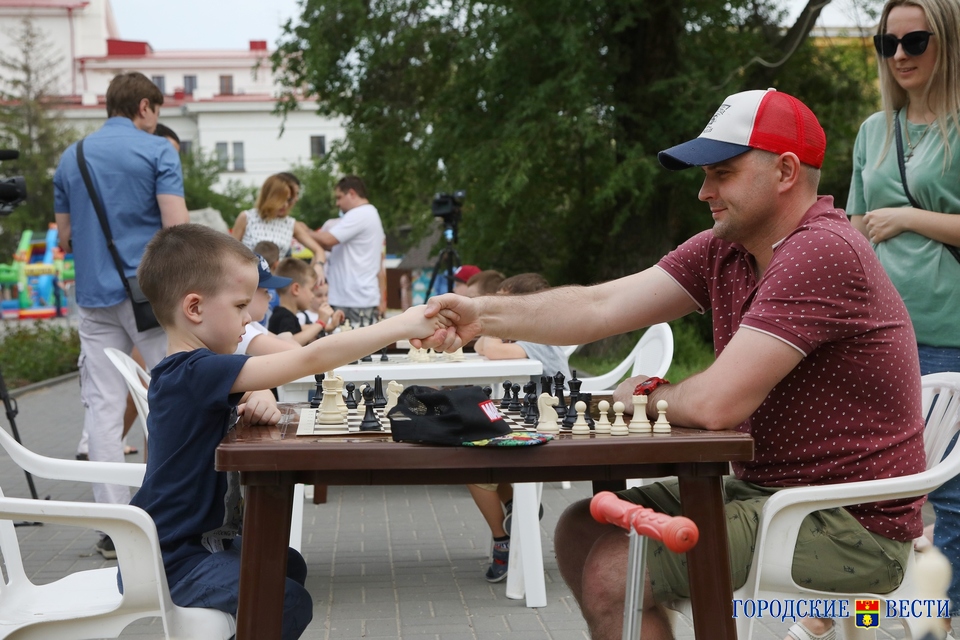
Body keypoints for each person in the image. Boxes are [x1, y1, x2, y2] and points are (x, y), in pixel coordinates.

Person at [421, 89, 926, 640]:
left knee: (614, 571)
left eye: (723, 173)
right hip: (773, 498)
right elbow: (600, 306)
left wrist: (644, 394)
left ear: (785, 171)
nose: (705, 191)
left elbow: (715, 406)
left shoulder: (820, 251)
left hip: (849, 526)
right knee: (581, 528)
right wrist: (483, 315)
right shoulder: (725, 248)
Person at [129, 223, 447, 639]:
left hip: (195, 543)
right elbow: (307, 359)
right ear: (194, 308)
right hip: (171, 559)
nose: (249, 320)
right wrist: (401, 325)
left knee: (288, 563)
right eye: (241, 305)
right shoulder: (192, 370)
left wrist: (252, 397)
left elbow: (223, 403)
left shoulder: (192, 372)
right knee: (285, 599)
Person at [847, 0, 960, 626]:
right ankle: (866, 610)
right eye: (886, 43)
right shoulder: (873, 129)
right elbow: (858, 229)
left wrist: (911, 216)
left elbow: (888, 219)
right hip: (879, 334)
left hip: (950, 331)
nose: (900, 55)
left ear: (947, 41)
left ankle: (935, 622)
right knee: (873, 484)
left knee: (951, 493)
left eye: (915, 39)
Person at [53, 71, 188, 558]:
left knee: (104, 410)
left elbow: (64, 236)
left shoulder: (72, 156)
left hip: (94, 296)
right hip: (151, 294)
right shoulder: (157, 152)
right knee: (166, 398)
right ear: (146, 107)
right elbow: (176, 228)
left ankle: (115, 526)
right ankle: (166, 516)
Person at [468, 272, 570, 583]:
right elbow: (479, 347)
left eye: (505, 305)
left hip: (548, 426)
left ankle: (503, 540)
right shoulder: (529, 338)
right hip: (529, 418)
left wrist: (491, 330)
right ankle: (515, 505)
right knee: (476, 450)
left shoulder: (542, 340)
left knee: (471, 463)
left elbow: (491, 349)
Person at [310, 175, 386, 325]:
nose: (337, 203)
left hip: (353, 300)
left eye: (339, 197)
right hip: (360, 298)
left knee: (348, 345)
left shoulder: (360, 213)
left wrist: (302, 230)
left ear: (352, 193)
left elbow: (328, 240)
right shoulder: (370, 214)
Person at [231, 174, 325, 264]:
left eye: (288, 200)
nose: (285, 204)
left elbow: (318, 251)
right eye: (281, 199)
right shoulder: (247, 217)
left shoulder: (290, 223)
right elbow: (229, 253)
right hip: (249, 277)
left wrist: (317, 268)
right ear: (269, 196)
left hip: (276, 278)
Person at [268, 257, 328, 345]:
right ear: (296, 289)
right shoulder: (284, 317)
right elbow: (288, 344)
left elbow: (300, 330)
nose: (312, 295)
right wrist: (320, 323)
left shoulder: (284, 314)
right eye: (311, 290)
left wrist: (329, 326)